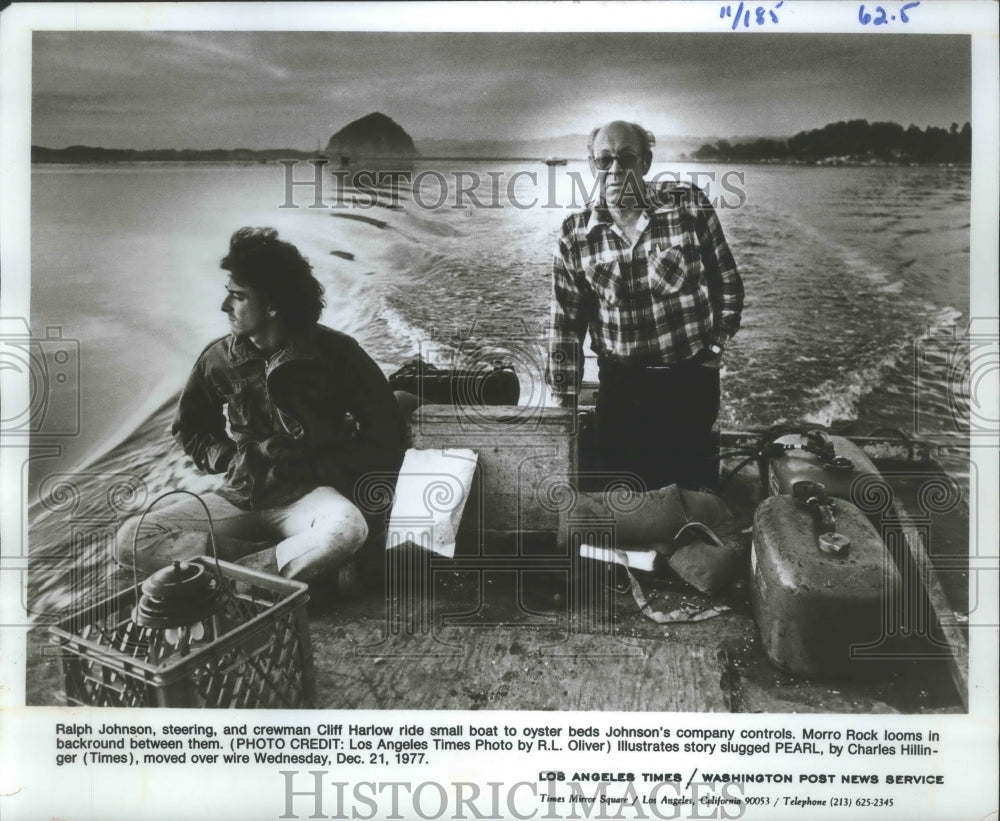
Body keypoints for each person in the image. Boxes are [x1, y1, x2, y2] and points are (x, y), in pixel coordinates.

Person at [115, 227, 407, 582]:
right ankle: (267, 568)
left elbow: (386, 433)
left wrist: (327, 471)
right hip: (242, 495)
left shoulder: (337, 354)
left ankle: (238, 576)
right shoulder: (218, 359)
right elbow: (190, 429)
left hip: (312, 496)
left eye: (238, 297)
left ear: (272, 306)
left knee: (346, 531)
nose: (225, 306)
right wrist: (228, 459)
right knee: (132, 537)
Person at [547, 120, 744, 490]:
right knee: (624, 500)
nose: (616, 169)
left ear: (646, 162)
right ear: (592, 165)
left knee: (686, 495)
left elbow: (728, 283)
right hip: (622, 390)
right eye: (604, 160)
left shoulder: (688, 206)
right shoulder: (575, 233)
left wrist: (715, 347)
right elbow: (565, 326)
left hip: (689, 382)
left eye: (626, 157)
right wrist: (564, 403)